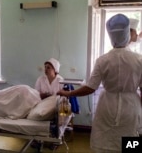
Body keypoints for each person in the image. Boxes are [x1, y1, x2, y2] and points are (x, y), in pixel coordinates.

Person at [58, 14, 142, 153]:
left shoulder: (103, 60)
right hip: (131, 108)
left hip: (107, 107)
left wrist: (68, 93)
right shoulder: (139, 60)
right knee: (130, 143)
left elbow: (90, 87)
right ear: (127, 35)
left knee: (105, 143)